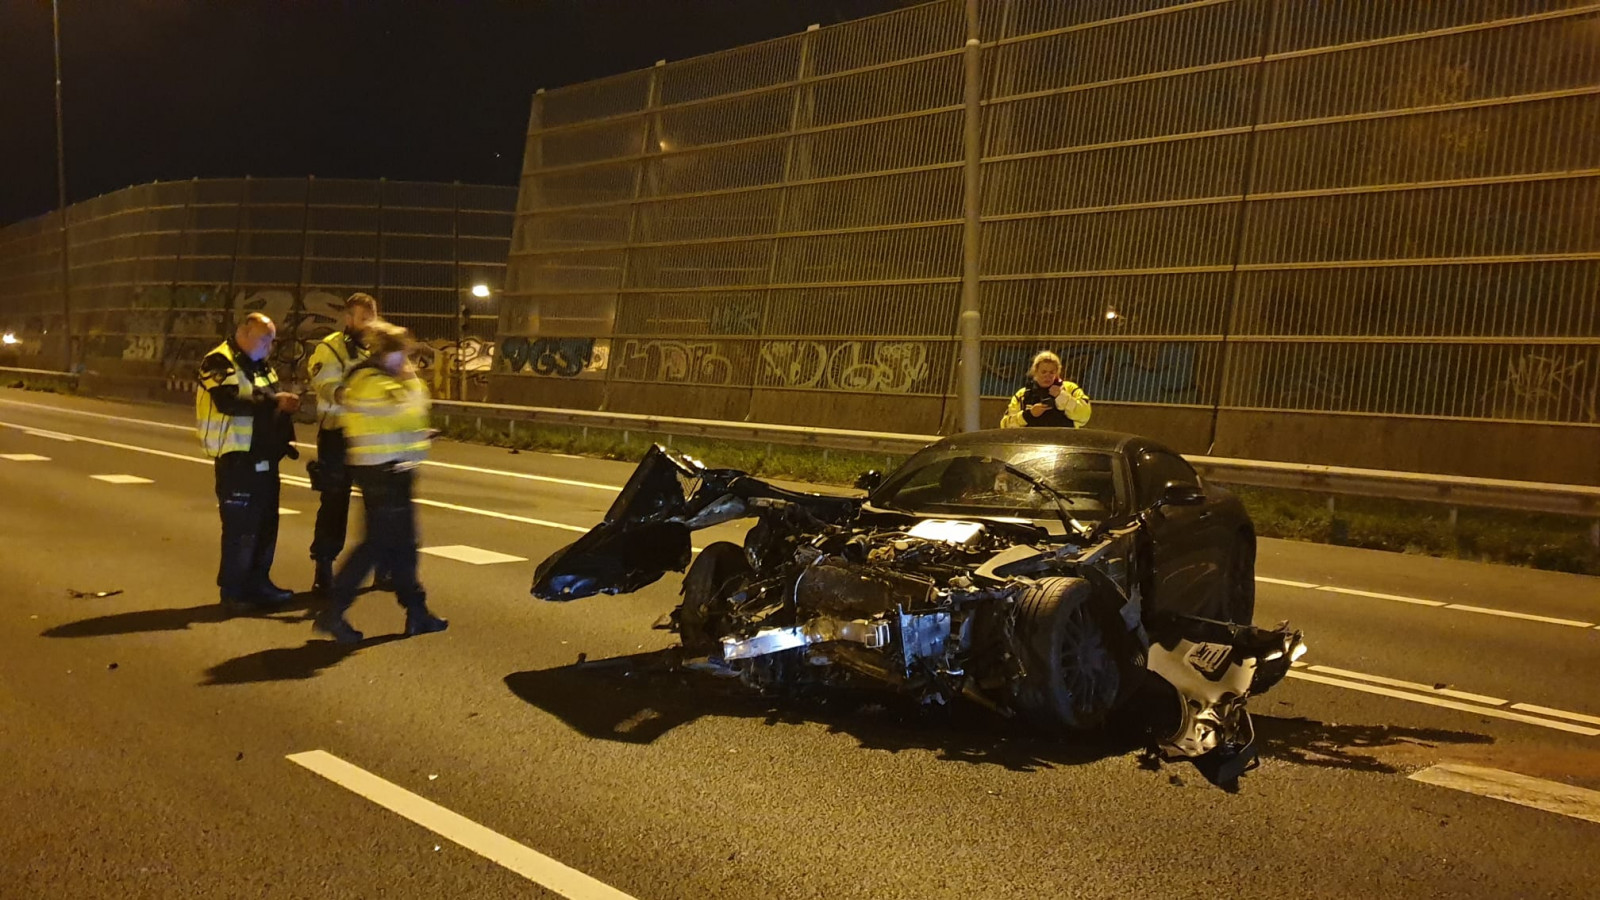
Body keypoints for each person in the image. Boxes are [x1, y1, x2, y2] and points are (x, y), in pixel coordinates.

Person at [314, 320, 448, 643]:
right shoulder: (370, 381)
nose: (408, 361)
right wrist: (410, 381)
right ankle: (333, 610)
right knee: (377, 545)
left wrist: (417, 432)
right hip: (383, 473)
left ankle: (416, 611)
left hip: (393, 470)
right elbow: (407, 408)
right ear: (391, 352)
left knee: (404, 545)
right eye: (404, 353)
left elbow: (402, 419)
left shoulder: (373, 379)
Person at [195, 312, 300, 609]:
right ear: (245, 332)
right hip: (236, 458)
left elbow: (270, 401)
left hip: (264, 458)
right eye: (265, 338)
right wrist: (275, 401)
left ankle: (259, 583)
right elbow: (228, 401)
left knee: (266, 525)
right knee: (240, 529)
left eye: (272, 340)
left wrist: (285, 436)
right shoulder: (219, 361)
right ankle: (233, 592)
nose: (270, 346)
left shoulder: (260, 365)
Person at [306, 292, 390, 594]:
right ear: (348, 318)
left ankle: (382, 567)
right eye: (363, 318)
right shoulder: (330, 348)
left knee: (378, 504)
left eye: (373, 318)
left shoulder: (379, 350)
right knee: (334, 502)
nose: (369, 324)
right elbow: (325, 384)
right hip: (338, 436)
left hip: (371, 438)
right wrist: (351, 396)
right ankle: (324, 568)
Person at [1000, 350, 1091, 429]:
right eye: (1043, 372)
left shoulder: (1070, 389)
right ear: (1035, 372)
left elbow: (1084, 416)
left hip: (1063, 444)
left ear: (1057, 373)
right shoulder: (1023, 394)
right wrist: (1028, 415)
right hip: (1032, 445)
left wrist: (1062, 397)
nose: (1047, 376)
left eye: (1052, 372)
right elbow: (1005, 425)